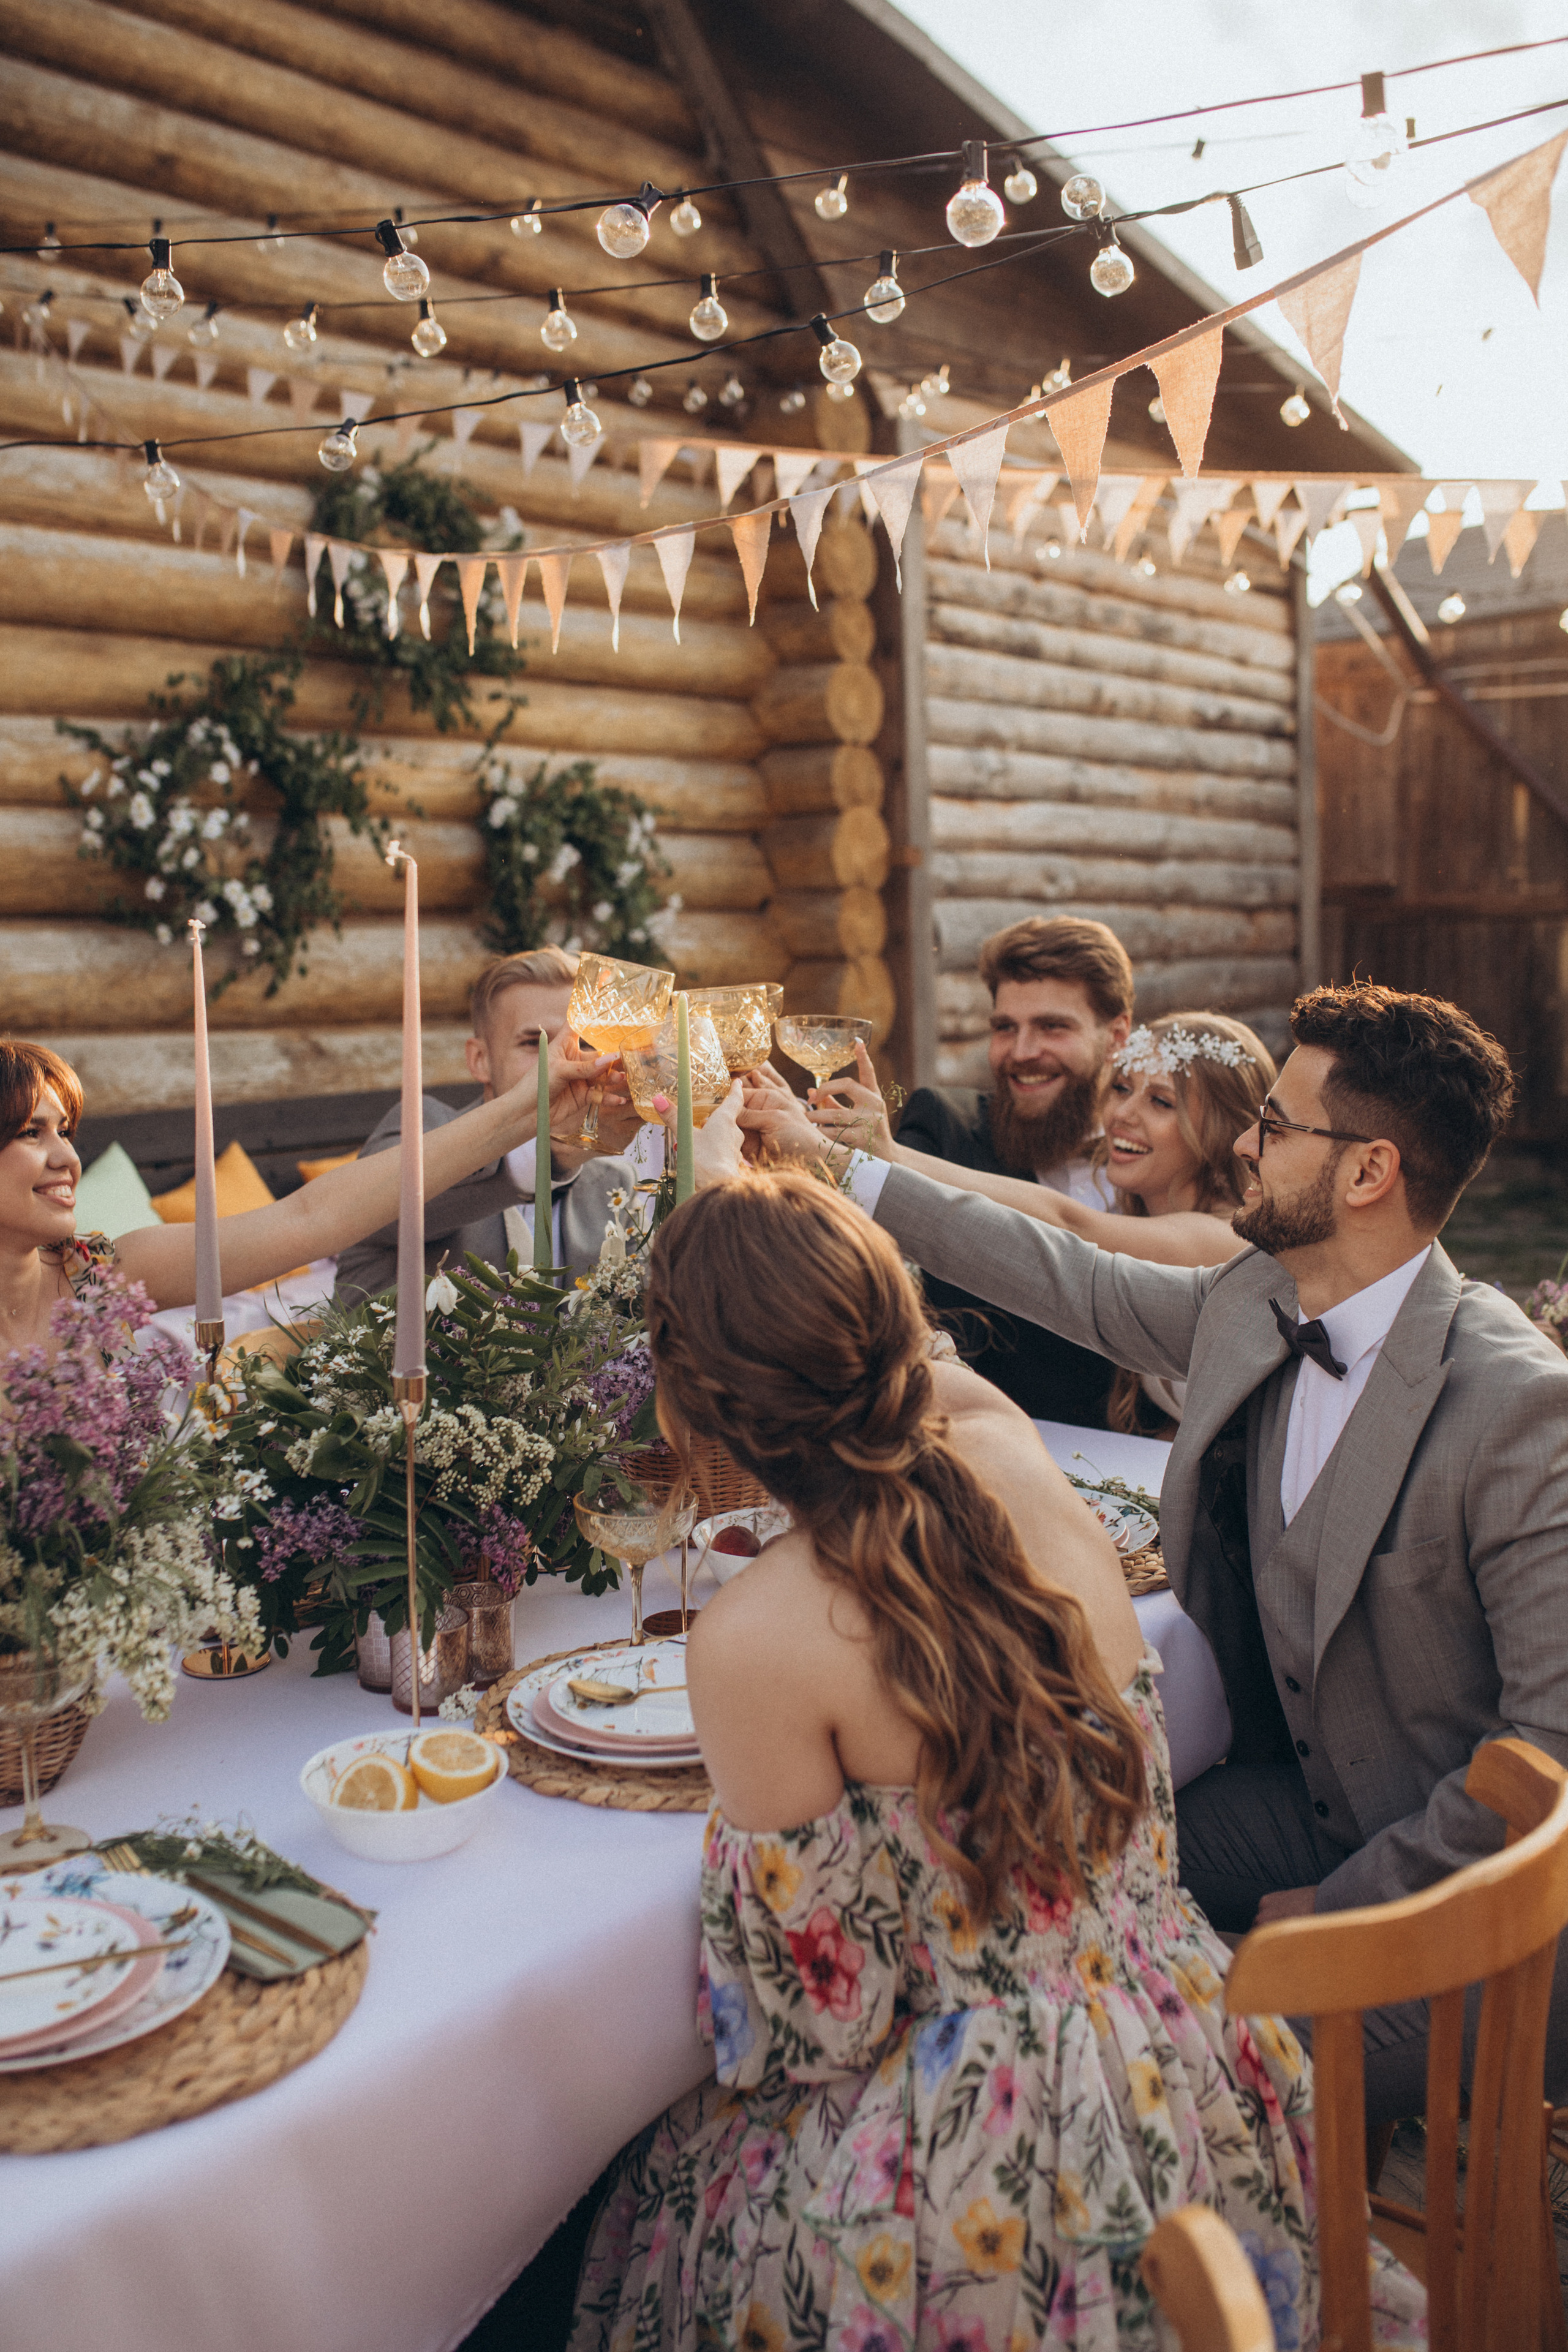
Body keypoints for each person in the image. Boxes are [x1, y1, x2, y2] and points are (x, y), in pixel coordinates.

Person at [570, 1173, 1422, 2350]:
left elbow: (825, 2019)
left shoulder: (754, 1638)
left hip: (990, 2158)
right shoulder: (1017, 1460)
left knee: (639, 2194)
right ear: (897, 1337)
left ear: (690, 1409)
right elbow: (935, 1385)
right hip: (1183, 2061)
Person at [793, 978, 1568, 2125]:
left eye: (1276, 1127)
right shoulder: (1265, 1292)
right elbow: (1080, 1280)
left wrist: (1347, 1902)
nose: (1248, 1147)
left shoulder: (1519, 1409)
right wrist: (841, 1168)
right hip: (1306, 1800)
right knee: (1045, 1858)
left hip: (1480, 1914)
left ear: (1369, 1173)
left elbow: (1550, 1757)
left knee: (1151, 2059)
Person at [783, 1012, 1276, 1428]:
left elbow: (1071, 1226)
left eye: (1161, 1101)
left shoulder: (1224, 1237)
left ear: (1219, 1128)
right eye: (1121, 1088)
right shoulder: (1150, 1215)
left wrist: (887, 1158)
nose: (1121, 1114)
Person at [0, 1031, 614, 1353]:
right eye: (33, 1133)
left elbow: (311, 1218)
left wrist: (523, 1110)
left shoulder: (105, 1278)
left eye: (67, 1132)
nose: (67, 1158)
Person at [880, 914, 1136, 1423]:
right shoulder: (943, 1133)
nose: (1021, 1053)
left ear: (1116, 1036)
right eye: (1004, 1028)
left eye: (1052, 1027)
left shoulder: (1162, 1165)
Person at [335, 949, 636, 1306]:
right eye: (535, 1042)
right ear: (480, 1060)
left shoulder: (614, 1183)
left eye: (585, 1043)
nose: (567, 1059)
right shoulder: (419, 1130)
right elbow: (377, 1212)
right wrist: (548, 1156)